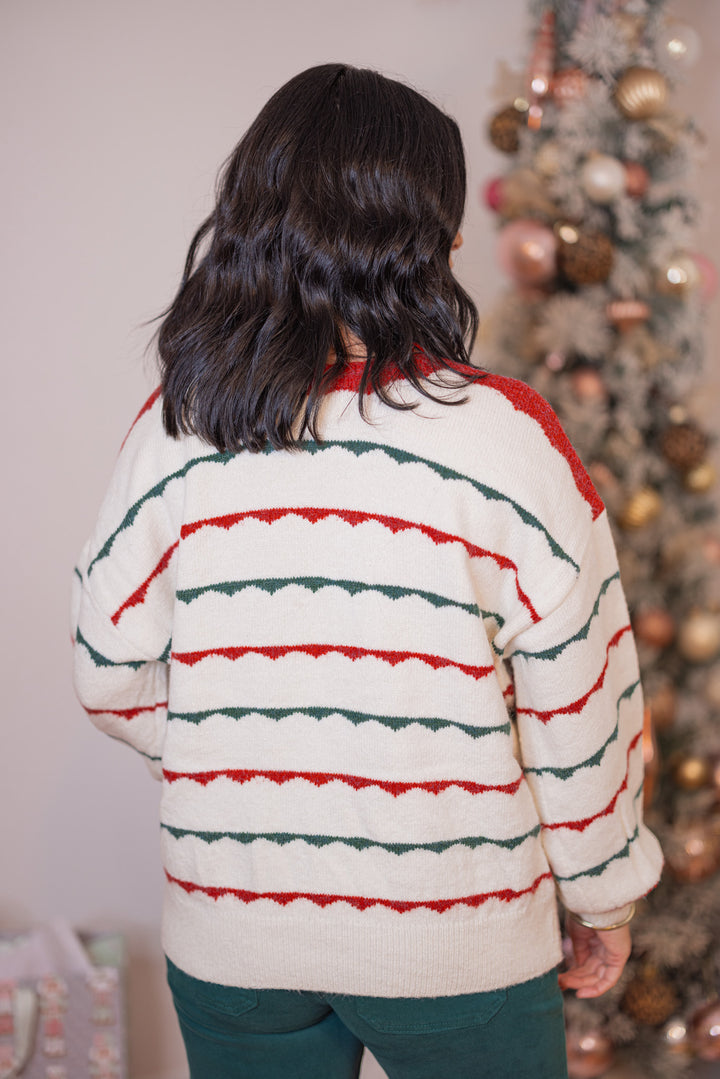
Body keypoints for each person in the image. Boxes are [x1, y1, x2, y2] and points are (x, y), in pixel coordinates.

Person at [72, 63, 663, 1079]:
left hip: (232, 929)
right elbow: (581, 706)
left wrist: (255, 752)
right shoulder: (506, 438)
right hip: (460, 939)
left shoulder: (177, 425)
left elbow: (109, 672)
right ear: (429, 239)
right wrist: (603, 892)